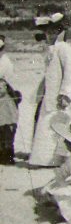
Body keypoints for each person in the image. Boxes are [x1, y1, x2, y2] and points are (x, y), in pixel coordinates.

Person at [29, 13, 71, 167]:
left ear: (60, 32)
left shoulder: (64, 48)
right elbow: (48, 75)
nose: (49, 35)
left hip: (60, 96)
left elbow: (70, 73)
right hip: (49, 94)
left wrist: (65, 94)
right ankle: (43, 159)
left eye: (53, 32)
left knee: (57, 125)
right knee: (45, 125)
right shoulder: (52, 49)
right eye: (47, 32)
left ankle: (57, 159)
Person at [0, 35, 20, 164]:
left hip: (6, 97)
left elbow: (6, 81)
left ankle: (6, 155)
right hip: (5, 95)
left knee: (6, 126)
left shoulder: (4, 61)